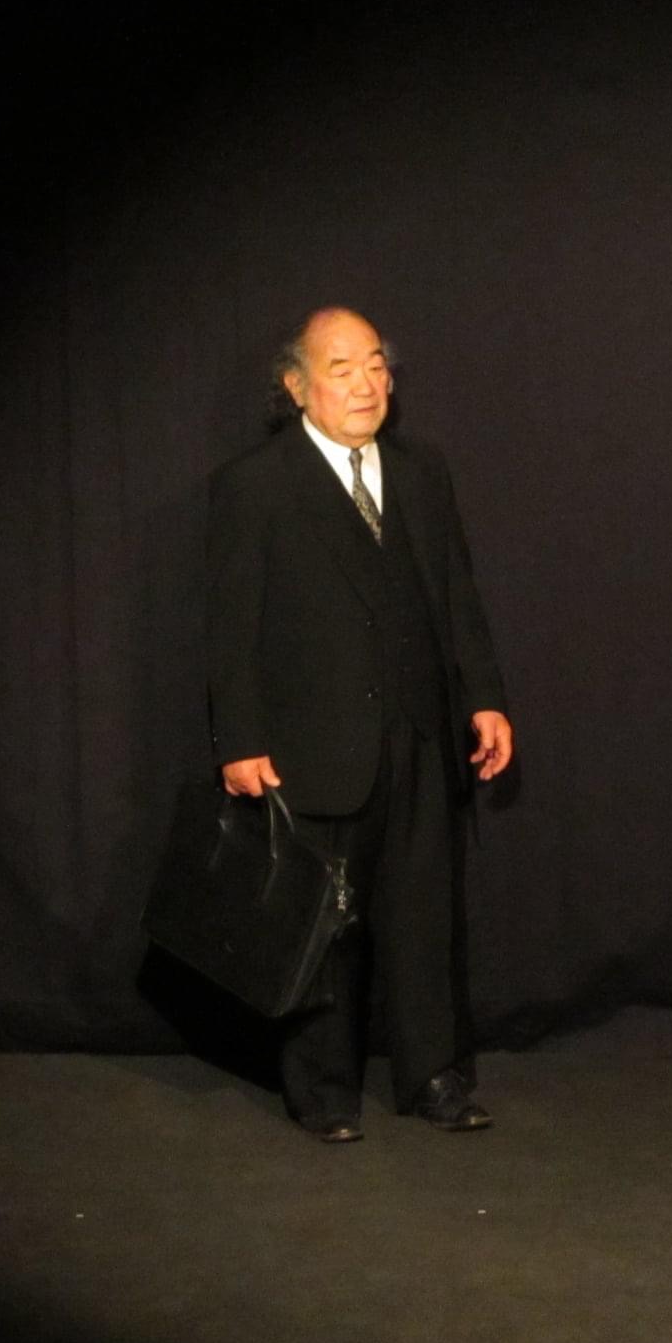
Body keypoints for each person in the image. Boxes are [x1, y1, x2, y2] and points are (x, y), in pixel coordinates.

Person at [207, 307, 513, 1143]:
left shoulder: (420, 471)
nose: (366, 384)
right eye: (342, 368)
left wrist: (484, 697)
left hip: (418, 733)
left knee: (423, 917)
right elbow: (230, 626)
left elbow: (455, 594)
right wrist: (239, 740)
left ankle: (435, 1076)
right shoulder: (257, 484)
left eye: (376, 365)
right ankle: (323, 1091)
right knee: (325, 923)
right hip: (314, 743)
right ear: (296, 386)